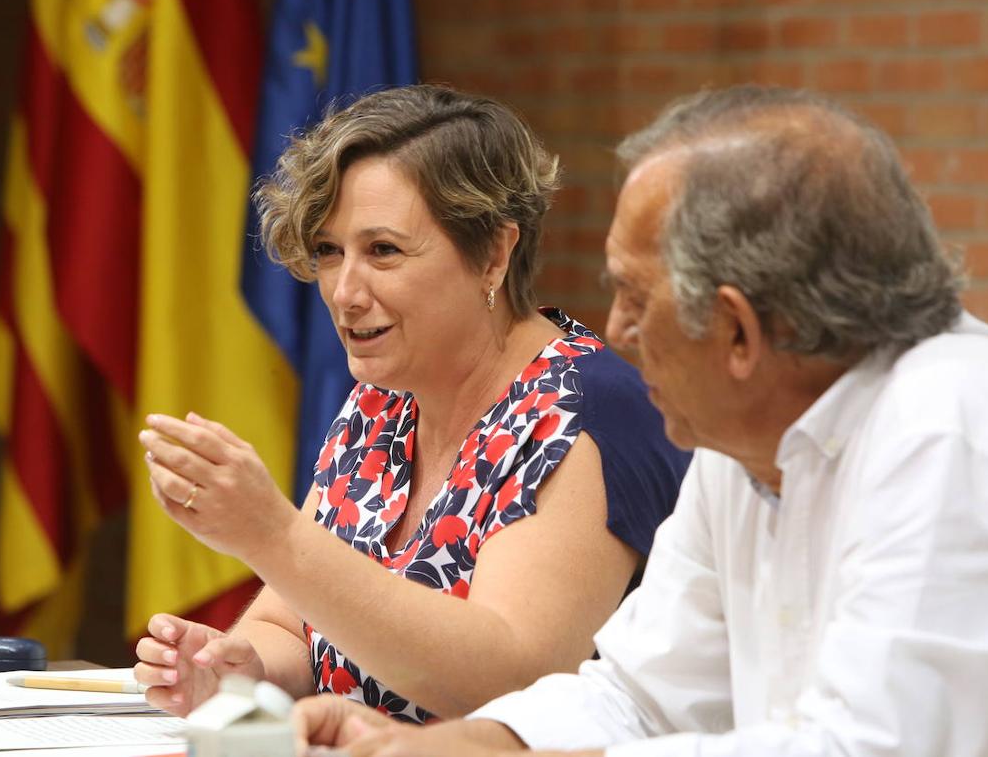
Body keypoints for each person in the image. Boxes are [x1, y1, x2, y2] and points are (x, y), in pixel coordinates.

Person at [290, 85, 988, 756]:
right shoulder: (741, 443)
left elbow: (856, 749)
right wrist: (452, 746)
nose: (613, 331)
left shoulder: (953, 440)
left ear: (738, 332)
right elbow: (641, 693)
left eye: (635, 296)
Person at [133, 85, 690, 722]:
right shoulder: (379, 401)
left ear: (493, 256)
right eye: (328, 252)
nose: (344, 292)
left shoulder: (586, 410)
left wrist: (272, 534)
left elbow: (512, 685)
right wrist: (240, 669)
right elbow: (294, 628)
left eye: (383, 251)